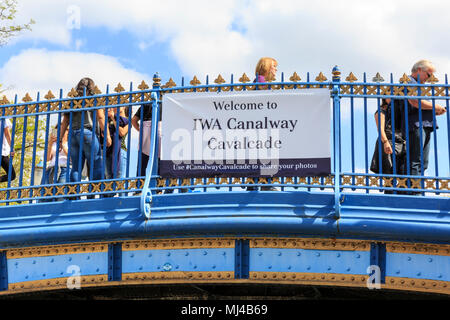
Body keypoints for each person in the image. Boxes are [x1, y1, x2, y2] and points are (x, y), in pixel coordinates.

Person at [60, 77, 111, 195]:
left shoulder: (72, 101)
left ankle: (73, 195)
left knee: (76, 167)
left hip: (73, 135)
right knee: (96, 165)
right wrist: (107, 135)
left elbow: (65, 121)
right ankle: (95, 193)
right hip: (88, 132)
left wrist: (59, 139)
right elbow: (100, 117)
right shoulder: (93, 99)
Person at [404, 60, 446, 183]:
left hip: (425, 124)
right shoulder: (408, 82)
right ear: (419, 70)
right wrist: (435, 107)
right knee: (416, 160)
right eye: (429, 75)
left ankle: (418, 189)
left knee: (423, 162)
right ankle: (414, 192)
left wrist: (436, 111)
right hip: (416, 124)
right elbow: (414, 101)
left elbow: (422, 105)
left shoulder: (420, 85)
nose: (430, 78)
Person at [247, 57, 279, 191]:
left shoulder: (262, 82)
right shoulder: (261, 83)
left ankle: (254, 184)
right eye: (274, 66)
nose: (276, 70)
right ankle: (264, 184)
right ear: (266, 67)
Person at [371, 99, 407, 193]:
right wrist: (385, 142)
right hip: (388, 142)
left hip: (401, 143)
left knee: (402, 173)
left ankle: (401, 197)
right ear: (384, 98)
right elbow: (381, 130)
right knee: (390, 174)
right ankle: (390, 196)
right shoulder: (381, 111)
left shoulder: (398, 110)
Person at [39, 127, 69, 201]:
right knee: (45, 195)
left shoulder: (71, 142)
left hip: (64, 169)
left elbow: (72, 158)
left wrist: (64, 144)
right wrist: (50, 144)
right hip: (51, 169)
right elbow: (47, 159)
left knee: (60, 195)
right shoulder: (54, 144)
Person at [103, 107, 129, 180]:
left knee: (119, 178)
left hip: (120, 151)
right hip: (108, 150)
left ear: (124, 107)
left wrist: (113, 118)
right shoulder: (108, 119)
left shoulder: (127, 120)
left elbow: (122, 132)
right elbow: (103, 134)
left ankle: (120, 192)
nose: (116, 107)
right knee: (108, 178)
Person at [0, 118, 16, 183]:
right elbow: (7, 133)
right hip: (2, 152)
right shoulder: (3, 118)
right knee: (12, 175)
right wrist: (12, 148)